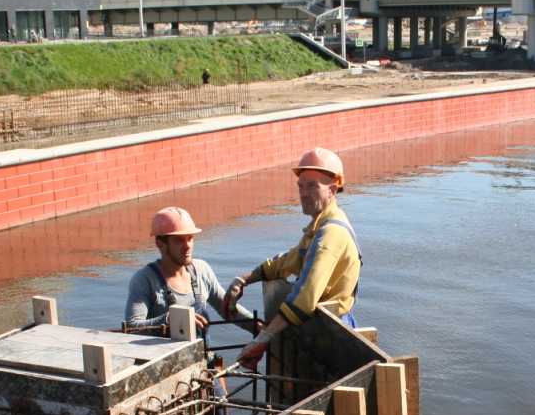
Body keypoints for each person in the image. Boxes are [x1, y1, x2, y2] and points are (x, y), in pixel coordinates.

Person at [223, 147, 361, 369]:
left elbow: (305, 296)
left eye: (312, 186)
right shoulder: (318, 229)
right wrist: (242, 280)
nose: (304, 193)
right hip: (321, 330)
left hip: (336, 334)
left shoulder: (331, 234)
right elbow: (287, 261)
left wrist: (264, 337)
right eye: (301, 186)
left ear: (332, 190)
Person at [124, 206, 258, 338]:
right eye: (179, 240)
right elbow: (132, 328)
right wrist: (172, 319)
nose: (188, 246)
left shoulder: (201, 270)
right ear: (161, 244)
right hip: (165, 356)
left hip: (201, 355)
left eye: (190, 239)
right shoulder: (145, 279)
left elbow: (227, 307)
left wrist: (258, 327)